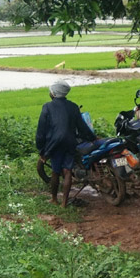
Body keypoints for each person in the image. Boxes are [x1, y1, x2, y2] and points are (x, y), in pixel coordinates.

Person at [35, 79, 96, 207]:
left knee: (55, 171)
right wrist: (93, 138)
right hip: (70, 142)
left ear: (54, 93)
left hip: (55, 144)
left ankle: (54, 199)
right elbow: (82, 126)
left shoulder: (47, 107)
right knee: (67, 171)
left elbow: (41, 130)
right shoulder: (73, 106)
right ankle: (64, 203)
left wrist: (42, 150)